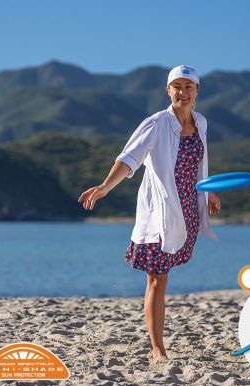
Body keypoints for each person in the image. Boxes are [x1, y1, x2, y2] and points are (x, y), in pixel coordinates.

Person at [78, 65, 221, 360]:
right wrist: (105, 186)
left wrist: (209, 191)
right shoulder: (156, 124)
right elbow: (130, 158)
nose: (183, 92)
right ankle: (158, 349)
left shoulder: (201, 122)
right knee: (157, 278)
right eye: (177, 87)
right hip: (160, 212)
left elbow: (199, 163)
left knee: (162, 276)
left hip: (188, 211)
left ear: (197, 91)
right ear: (168, 90)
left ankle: (157, 344)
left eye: (188, 87)